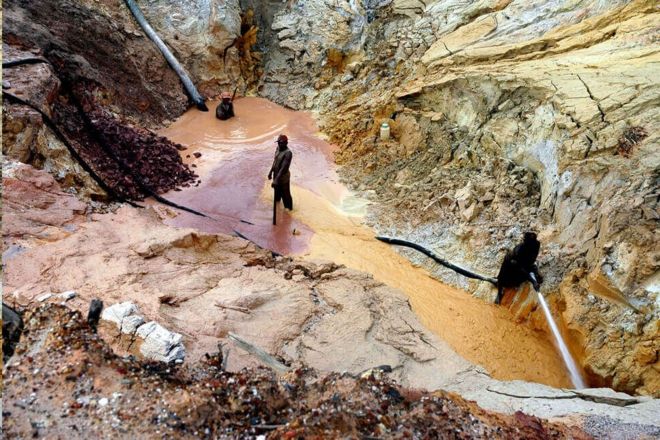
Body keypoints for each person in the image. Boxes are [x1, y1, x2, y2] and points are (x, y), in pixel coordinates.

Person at [495, 231, 544, 305]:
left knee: (533, 268)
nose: (523, 240)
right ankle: (499, 293)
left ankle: (531, 274)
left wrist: (534, 280)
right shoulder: (520, 250)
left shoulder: (536, 244)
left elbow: (532, 258)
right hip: (513, 265)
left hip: (525, 264)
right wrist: (533, 281)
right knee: (502, 275)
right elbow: (520, 267)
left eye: (525, 239)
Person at [268, 134, 293, 210]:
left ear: (286, 143)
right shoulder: (278, 148)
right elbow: (275, 162)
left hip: (283, 177)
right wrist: (270, 172)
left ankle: (289, 211)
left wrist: (276, 180)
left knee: (285, 195)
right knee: (277, 194)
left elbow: (283, 168)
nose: (279, 144)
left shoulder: (288, 153)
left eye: (281, 143)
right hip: (276, 175)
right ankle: (278, 206)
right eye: (278, 142)